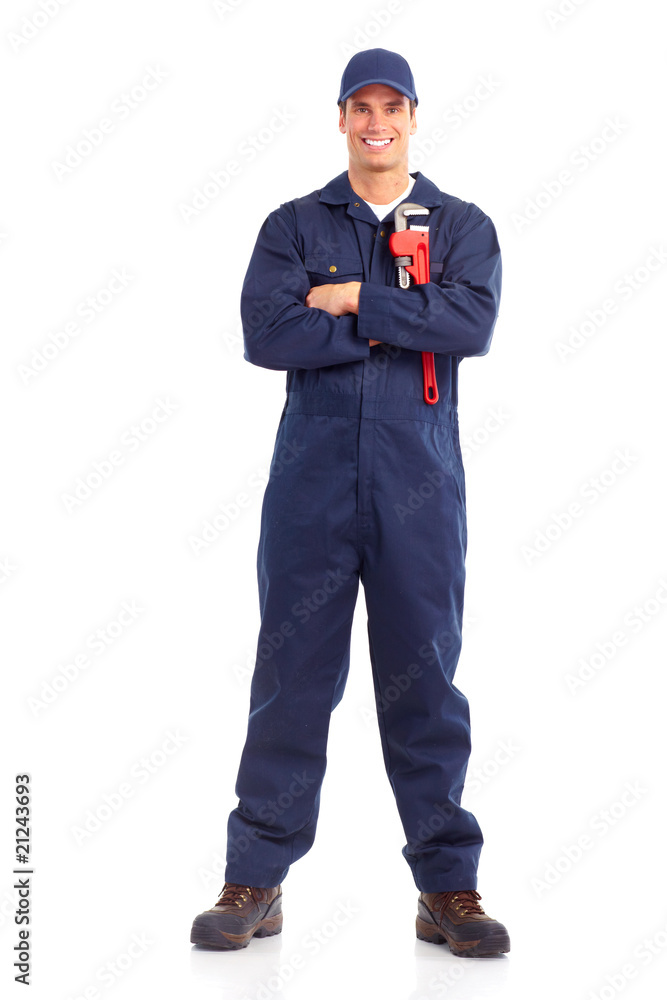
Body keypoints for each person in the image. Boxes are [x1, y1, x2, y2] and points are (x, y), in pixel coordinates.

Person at [191, 48, 509, 958]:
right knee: (291, 679)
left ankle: (446, 887)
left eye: (390, 107)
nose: (376, 122)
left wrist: (348, 300)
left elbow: (471, 323)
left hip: (419, 486)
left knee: (426, 680)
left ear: (412, 117)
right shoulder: (294, 224)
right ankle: (255, 878)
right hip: (311, 484)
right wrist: (398, 320)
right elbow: (267, 333)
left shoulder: (460, 225)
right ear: (339, 118)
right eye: (359, 107)